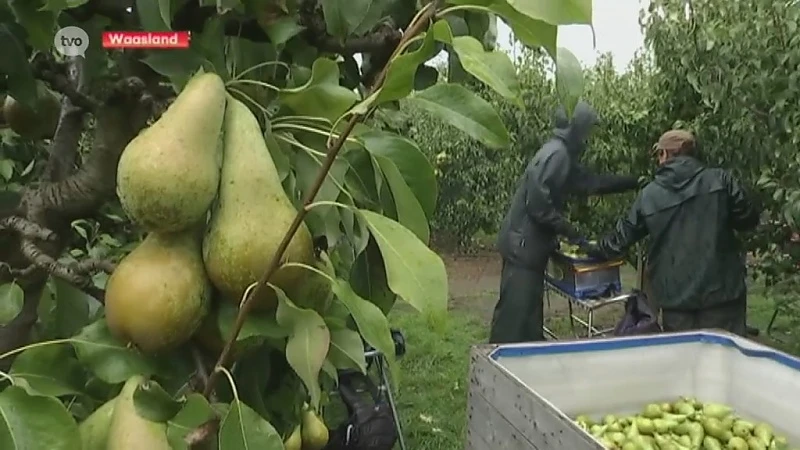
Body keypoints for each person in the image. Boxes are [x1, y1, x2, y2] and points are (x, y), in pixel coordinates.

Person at [489, 100, 640, 344]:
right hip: (524, 247)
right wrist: (575, 236)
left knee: (524, 313)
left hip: (524, 246)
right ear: (576, 128)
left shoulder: (559, 153)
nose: (588, 137)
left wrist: (633, 181)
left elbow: (590, 183)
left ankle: (525, 359)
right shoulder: (557, 155)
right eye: (587, 130)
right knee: (516, 317)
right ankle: (500, 365)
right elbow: (538, 206)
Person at [583, 130, 760, 336]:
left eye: (659, 155)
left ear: (666, 154)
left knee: (685, 363)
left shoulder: (650, 195)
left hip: (676, 300)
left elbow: (620, 240)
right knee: (724, 362)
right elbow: (748, 219)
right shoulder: (720, 181)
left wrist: (590, 248)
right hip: (723, 295)